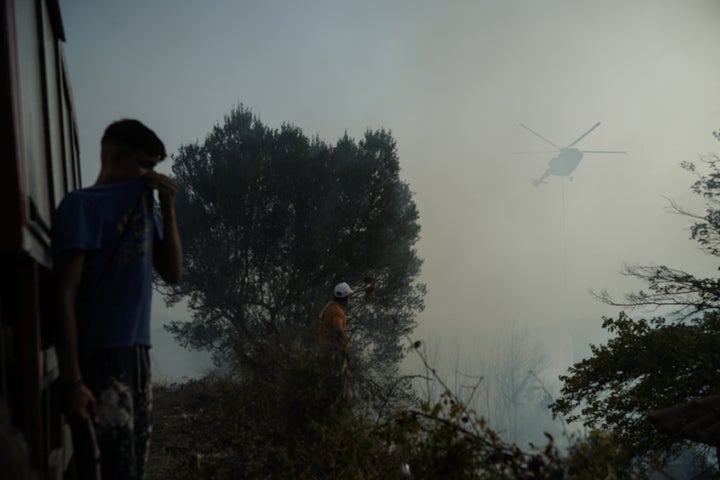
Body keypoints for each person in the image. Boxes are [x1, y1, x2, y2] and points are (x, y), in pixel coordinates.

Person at [53, 119, 183, 479]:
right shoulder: (82, 206)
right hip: (102, 357)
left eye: (154, 168)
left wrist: (169, 210)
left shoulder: (146, 208)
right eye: (143, 165)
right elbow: (62, 295)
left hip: (138, 352)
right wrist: (74, 382)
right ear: (113, 158)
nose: (149, 176)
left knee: (132, 466)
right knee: (112, 467)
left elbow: (173, 274)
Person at [318, 282, 353, 407]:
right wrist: (343, 345)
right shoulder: (337, 312)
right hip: (335, 354)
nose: (349, 300)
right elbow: (337, 327)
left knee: (327, 381)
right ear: (344, 298)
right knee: (339, 385)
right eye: (348, 297)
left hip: (325, 351)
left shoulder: (329, 308)